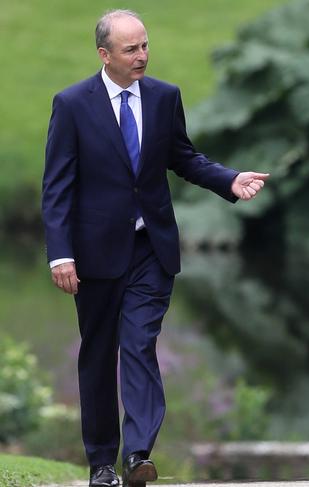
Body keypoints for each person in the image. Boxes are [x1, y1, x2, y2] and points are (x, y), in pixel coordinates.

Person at [41, 9, 269, 487]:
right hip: (95, 254)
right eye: (131, 49)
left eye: (145, 45)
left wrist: (230, 180)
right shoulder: (72, 104)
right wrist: (60, 254)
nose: (142, 56)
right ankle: (103, 464)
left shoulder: (165, 97)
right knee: (99, 355)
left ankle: (138, 454)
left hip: (151, 248)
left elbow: (183, 157)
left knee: (140, 344)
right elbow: (57, 186)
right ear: (105, 55)